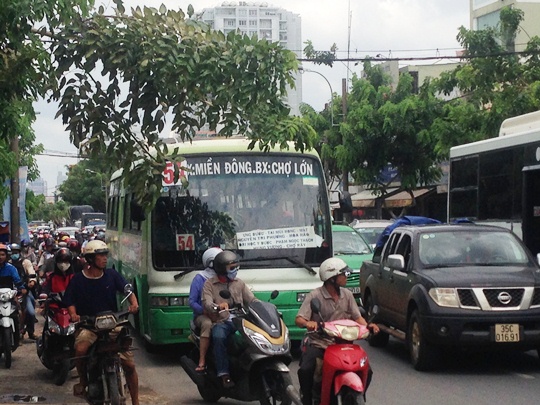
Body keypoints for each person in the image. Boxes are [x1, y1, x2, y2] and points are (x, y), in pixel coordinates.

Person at [63, 240, 140, 404]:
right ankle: (83, 382)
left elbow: (127, 289)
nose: (105, 258)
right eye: (100, 255)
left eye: (105, 255)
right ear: (90, 259)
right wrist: (74, 314)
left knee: (130, 365)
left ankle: (136, 401)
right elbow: (69, 300)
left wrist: (133, 303)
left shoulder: (112, 275)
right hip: (89, 326)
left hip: (112, 324)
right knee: (80, 348)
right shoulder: (77, 280)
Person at [295, 257, 380, 405]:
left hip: (344, 344)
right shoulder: (315, 295)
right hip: (320, 343)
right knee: (306, 370)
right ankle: (308, 400)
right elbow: (299, 319)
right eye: (342, 274)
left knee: (368, 370)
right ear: (332, 278)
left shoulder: (347, 295)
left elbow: (357, 317)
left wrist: (368, 326)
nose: (345, 277)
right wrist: (309, 323)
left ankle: (357, 395)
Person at [202, 250, 257, 388]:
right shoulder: (209, 284)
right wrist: (218, 306)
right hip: (221, 321)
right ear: (221, 269)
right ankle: (224, 374)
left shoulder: (239, 283)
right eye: (232, 268)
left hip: (241, 320)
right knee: (219, 337)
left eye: (236, 267)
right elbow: (207, 303)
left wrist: (265, 307)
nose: (236, 270)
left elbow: (252, 300)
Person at [188, 247, 223, 373]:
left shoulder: (224, 277)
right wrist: (204, 311)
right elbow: (191, 301)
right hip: (202, 315)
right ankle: (202, 360)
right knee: (207, 324)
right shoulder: (200, 278)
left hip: (220, 313)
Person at [10, 243, 38, 340]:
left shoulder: (25, 262)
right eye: (12, 252)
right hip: (9, 292)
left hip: (24, 291)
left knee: (30, 313)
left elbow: (32, 273)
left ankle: (30, 331)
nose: (14, 254)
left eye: (16, 252)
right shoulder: (7, 264)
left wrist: (32, 282)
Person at [0, 243, 25, 347]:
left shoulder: (11, 268)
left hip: (8, 298)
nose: (0, 257)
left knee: (17, 313)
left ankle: (18, 335)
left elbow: (17, 281)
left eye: (2, 254)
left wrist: (22, 289)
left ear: (6, 256)